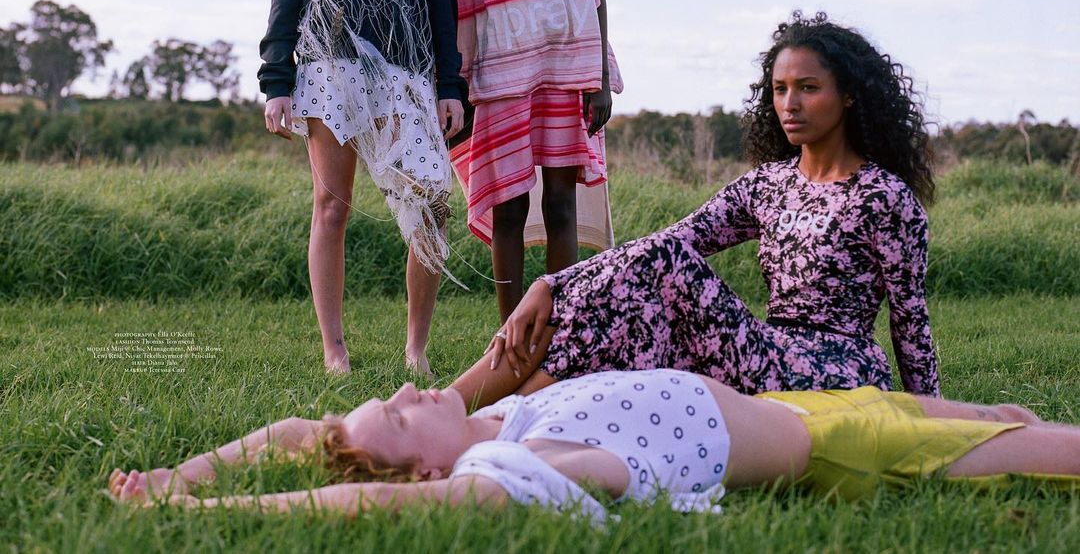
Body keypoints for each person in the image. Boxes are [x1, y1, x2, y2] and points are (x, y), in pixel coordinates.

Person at [455, 12, 941, 404]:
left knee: (662, 265)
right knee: (623, 315)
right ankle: (466, 411)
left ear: (849, 95)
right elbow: (671, 240)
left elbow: (910, 323)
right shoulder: (768, 185)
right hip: (764, 349)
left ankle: (479, 414)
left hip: (836, 369)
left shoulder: (884, 198)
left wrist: (936, 420)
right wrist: (551, 286)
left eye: (808, 88)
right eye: (780, 89)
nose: (790, 104)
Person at [108, 367, 1078, 518]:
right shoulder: (505, 465)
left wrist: (177, 476)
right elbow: (368, 495)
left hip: (802, 402)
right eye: (398, 415)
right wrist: (219, 509)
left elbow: (300, 435)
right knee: (1054, 450)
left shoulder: (498, 419)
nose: (407, 390)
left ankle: (991, 421)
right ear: (428, 464)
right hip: (836, 449)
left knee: (1001, 415)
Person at [258, 0, 466, 376]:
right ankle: (335, 352)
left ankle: (416, 351)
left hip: (408, 72)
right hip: (330, 67)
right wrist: (276, 82)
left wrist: (449, 85)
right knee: (331, 207)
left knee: (430, 204)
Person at [405, 0, 624, 321]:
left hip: (568, 73)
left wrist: (599, 77)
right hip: (499, 79)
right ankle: (509, 332)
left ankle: (556, 327)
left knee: (561, 202)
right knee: (509, 206)